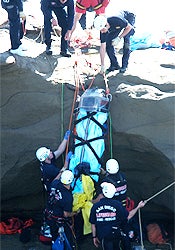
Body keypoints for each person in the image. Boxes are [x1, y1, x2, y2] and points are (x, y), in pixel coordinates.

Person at [89, 182, 131, 250]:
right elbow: (126, 217)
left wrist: (94, 237)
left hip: (103, 236)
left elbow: (93, 223)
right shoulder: (118, 204)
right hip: (116, 234)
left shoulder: (95, 206)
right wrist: (138, 207)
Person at [45, 170, 77, 249]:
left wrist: (61, 172)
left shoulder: (55, 184)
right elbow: (66, 214)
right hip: (59, 221)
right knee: (66, 240)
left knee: (54, 237)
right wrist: (75, 213)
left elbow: (55, 179)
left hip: (49, 215)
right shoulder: (67, 197)